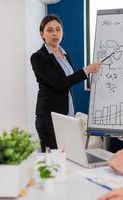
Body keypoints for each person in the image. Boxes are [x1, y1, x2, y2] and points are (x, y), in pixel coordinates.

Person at [31, 15, 100, 152]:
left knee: (68, 158)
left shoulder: (65, 54)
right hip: (49, 118)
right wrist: (86, 71)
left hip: (67, 114)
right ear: (42, 33)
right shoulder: (38, 57)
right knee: (53, 161)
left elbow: (68, 82)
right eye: (49, 30)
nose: (55, 33)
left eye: (58, 29)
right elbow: (59, 84)